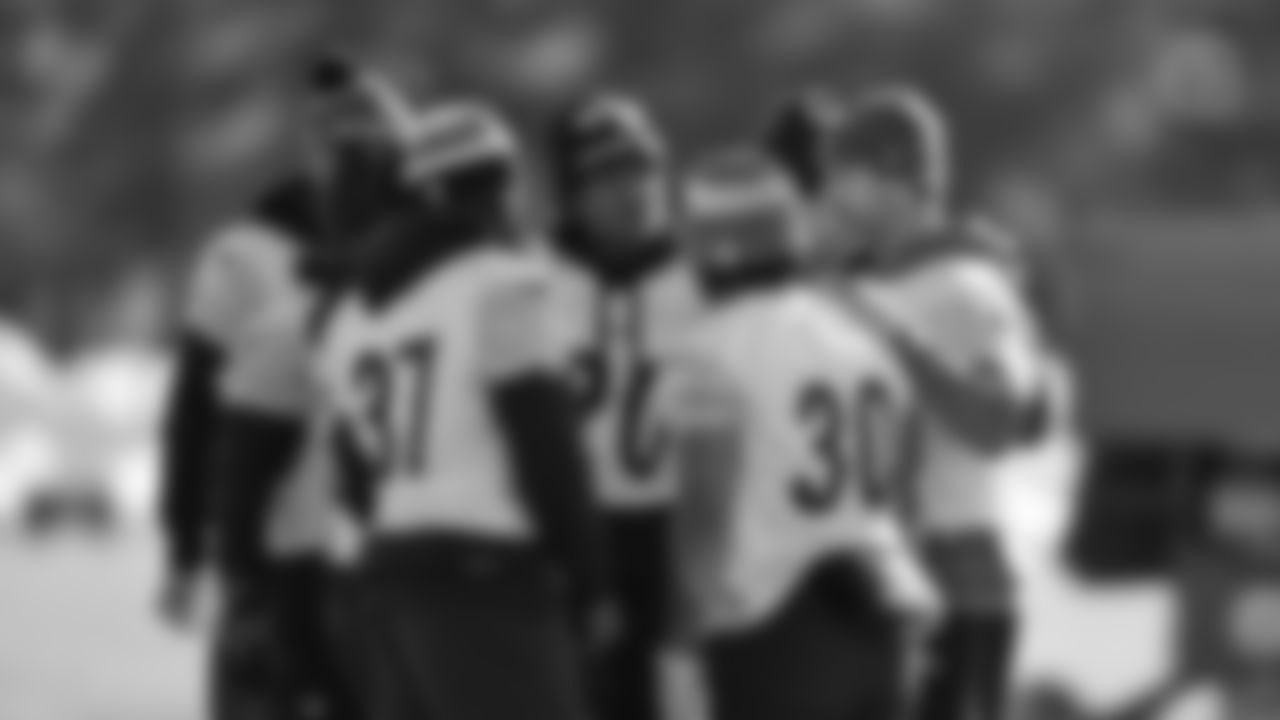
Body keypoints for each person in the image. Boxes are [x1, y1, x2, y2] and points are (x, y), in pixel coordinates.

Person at [312, 100, 608, 720]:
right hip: (486, 581)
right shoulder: (500, 284)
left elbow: (355, 473)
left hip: (390, 579)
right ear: (505, 185)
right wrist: (588, 577)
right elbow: (544, 441)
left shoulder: (351, 312)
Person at [162, 53, 408, 720]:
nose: (350, 158)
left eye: (372, 144)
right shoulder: (245, 252)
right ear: (311, 146)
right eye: (334, 140)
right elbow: (195, 408)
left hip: (396, 554)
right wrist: (189, 543)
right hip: (283, 549)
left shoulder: (424, 251)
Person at [663, 148, 938, 720]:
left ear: (709, 245)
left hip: (774, 629)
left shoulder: (714, 348)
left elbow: (707, 512)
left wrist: (681, 648)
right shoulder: (859, 336)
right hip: (880, 616)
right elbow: (909, 489)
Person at [831, 86, 1053, 720]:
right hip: (886, 571)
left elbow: (998, 423)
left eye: (849, 173)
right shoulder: (870, 280)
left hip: (958, 575)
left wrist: (902, 343)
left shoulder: (969, 287)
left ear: (897, 175)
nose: (837, 192)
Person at [544, 91, 704, 720]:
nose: (632, 189)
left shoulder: (703, 284)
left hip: (678, 534)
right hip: (575, 539)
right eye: (608, 174)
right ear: (573, 193)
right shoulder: (533, 283)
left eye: (643, 168)